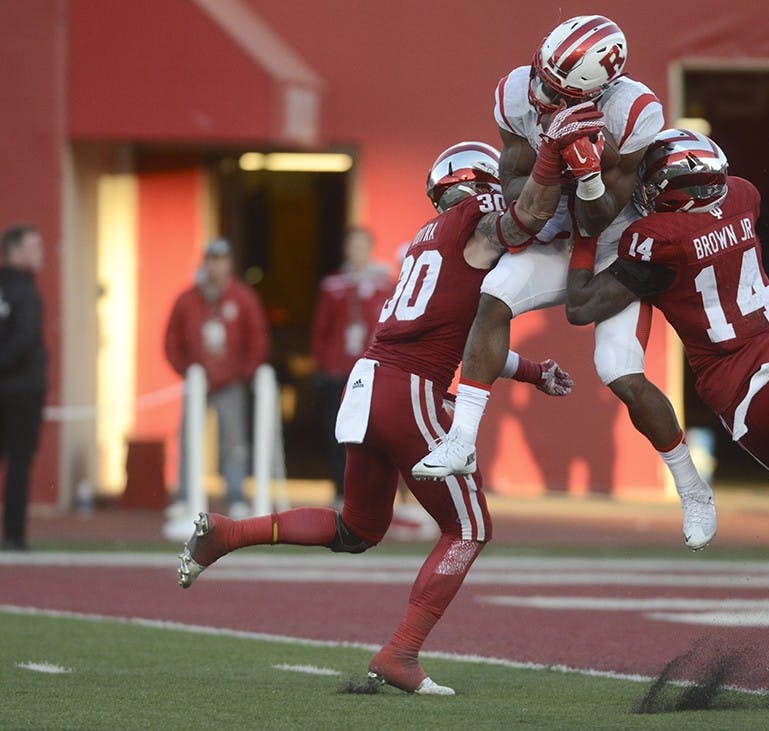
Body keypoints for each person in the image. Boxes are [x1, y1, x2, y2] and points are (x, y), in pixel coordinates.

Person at [177, 135, 586, 695]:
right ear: (476, 185)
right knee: (468, 527)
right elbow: (529, 215)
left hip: (369, 382)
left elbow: (460, 334)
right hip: (408, 388)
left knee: (358, 528)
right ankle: (402, 652)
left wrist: (533, 371)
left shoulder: (429, 240)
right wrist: (557, 156)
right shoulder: (475, 220)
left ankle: (227, 534)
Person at [564, 129, 769, 671]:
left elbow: (580, 307)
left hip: (730, 391)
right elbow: (717, 217)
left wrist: (581, 238)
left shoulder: (655, 238)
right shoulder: (742, 194)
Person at [412, 15, 717, 549]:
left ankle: (691, 486)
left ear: (601, 90)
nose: (539, 93)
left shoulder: (634, 111)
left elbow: (601, 217)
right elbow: (511, 181)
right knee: (494, 297)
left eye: (555, 90)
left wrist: (591, 172)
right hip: (552, 228)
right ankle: (461, 439)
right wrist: (553, 159)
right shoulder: (515, 90)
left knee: (619, 371)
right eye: (542, 77)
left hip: (612, 237)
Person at [164, 238, 270, 518]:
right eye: (212, 259)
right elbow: (171, 338)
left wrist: (243, 372)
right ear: (205, 262)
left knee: (234, 441)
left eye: (222, 260)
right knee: (188, 439)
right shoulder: (188, 298)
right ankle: (184, 495)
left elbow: (257, 337)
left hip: (231, 382)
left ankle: (234, 494)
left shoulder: (243, 297)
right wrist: (187, 370)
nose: (216, 265)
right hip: (198, 382)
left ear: (229, 264)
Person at [310, 228, 395, 503]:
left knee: (373, 431)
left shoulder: (385, 284)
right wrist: (322, 365)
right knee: (339, 430)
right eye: (352, 246)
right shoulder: (332, 284)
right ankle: (340, 488)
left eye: (361, 246)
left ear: (370, 249)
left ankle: (373, 490)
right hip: (338, 370)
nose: (356, 251)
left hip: (372, 370)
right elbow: (321, 329)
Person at [0, 224, 47, 551]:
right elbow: (25, 340)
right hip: (22, 391)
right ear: (15, 251)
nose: (40, 253)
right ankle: (14, 536)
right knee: (19, 463)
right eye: (34, 246)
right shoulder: (27, 294)